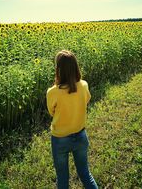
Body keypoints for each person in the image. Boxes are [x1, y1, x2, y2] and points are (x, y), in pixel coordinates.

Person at [46, 50, 98, 189]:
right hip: (80, 135)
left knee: (62, 178)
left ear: (58, 70)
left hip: (60, 139)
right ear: (76, 67)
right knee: (85, 174)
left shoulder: (52, 92)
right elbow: (86, 100)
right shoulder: (84, 85)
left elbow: (52, 112)